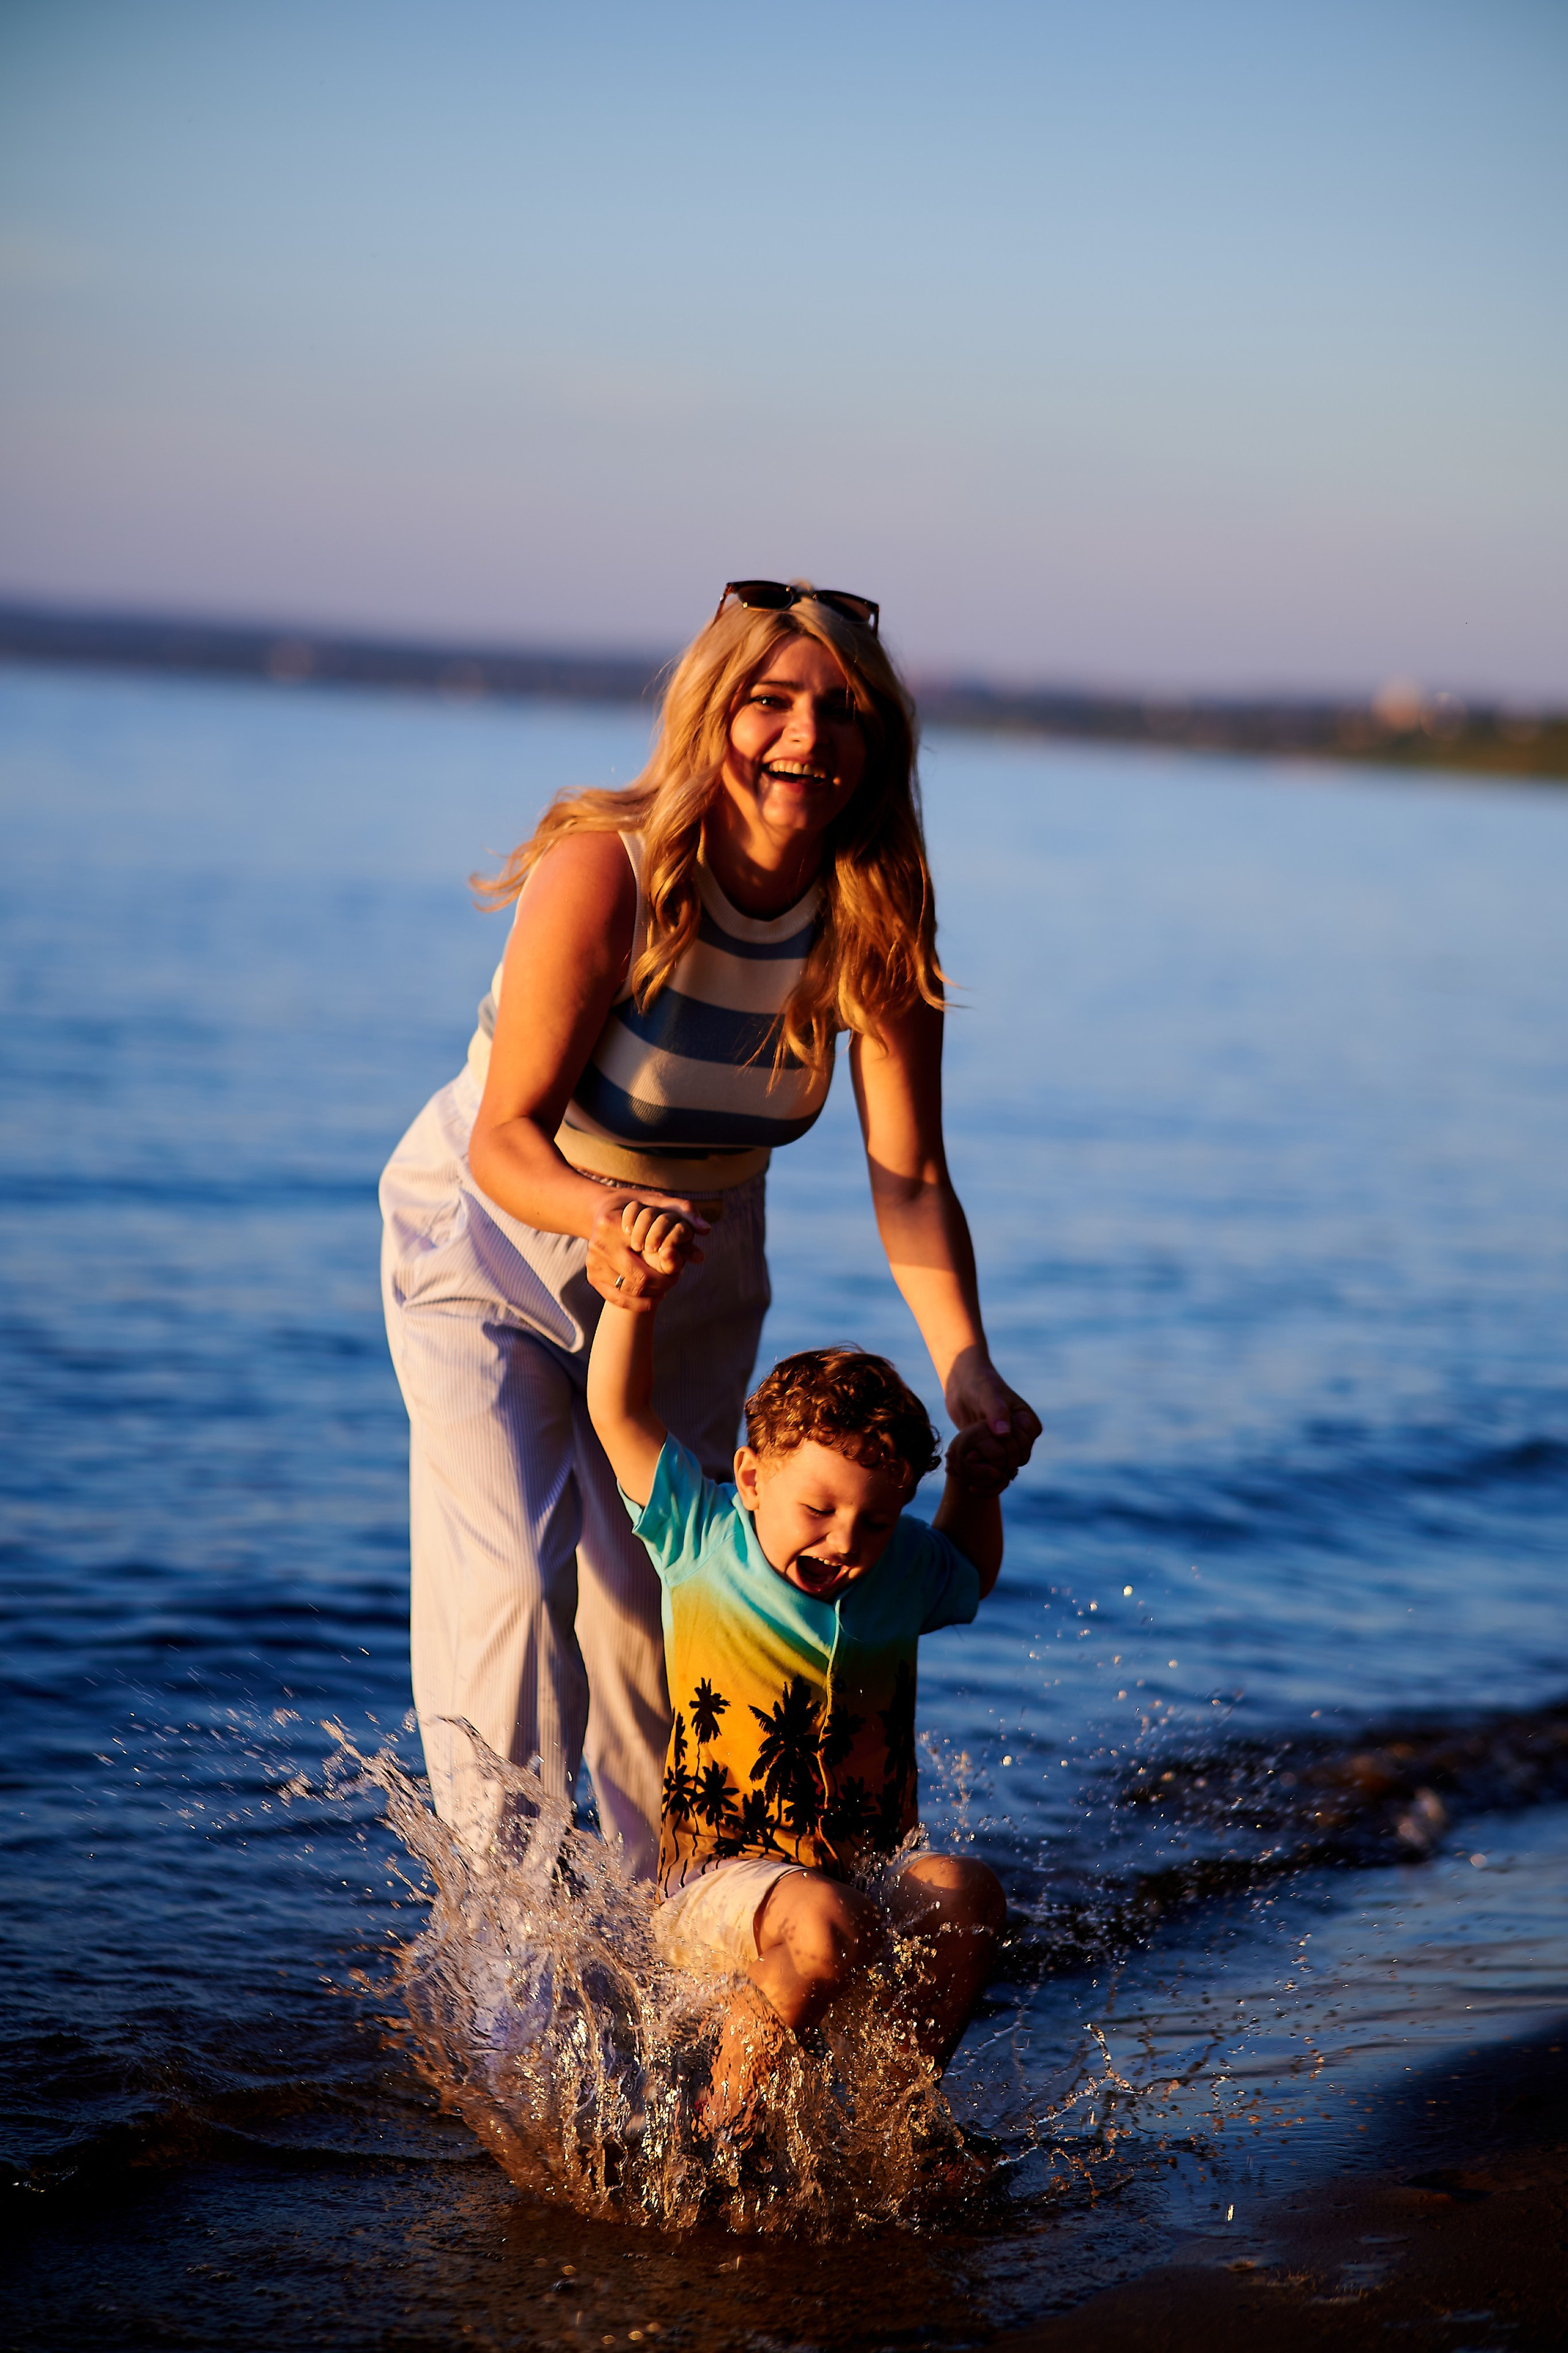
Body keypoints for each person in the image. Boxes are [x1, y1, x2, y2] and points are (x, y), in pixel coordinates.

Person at [379, 579, 1039, 1872]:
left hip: (699, 1250)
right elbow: (509, 1130)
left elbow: (907, 1175)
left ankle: (669, 1917)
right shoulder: (606, 870)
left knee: (653, 1602)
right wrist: (602, 1217)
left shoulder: (872, 920)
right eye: (771, 701)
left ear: (878, 744)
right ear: (711, 714)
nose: (806, 735)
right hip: (503, 1229)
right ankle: (506, 1940)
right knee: (513, 1583)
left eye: (842, 711)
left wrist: (965, 1363)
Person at [585, 1208, 1006, 2127]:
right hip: (714, 1890)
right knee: (822, 1924)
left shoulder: (899, 1572)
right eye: (817, 1508)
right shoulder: (701, 1538)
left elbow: (971, 1573)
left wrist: (976, 1486)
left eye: (875, 1520)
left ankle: (896, 2111)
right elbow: (616, 1412)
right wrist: (632, 1301)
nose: (846, 1541)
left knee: (964, 1894)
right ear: (748, 1477)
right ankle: (723, 2119)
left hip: (858, 1879)